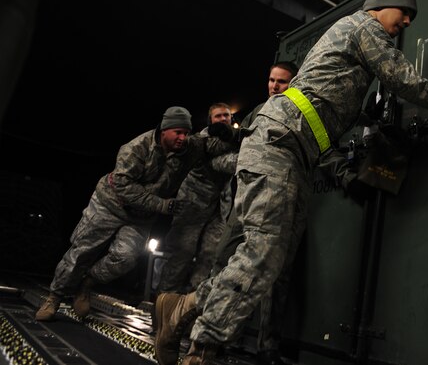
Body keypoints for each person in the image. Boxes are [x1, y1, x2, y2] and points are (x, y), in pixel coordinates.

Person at [154, 0, 428, 365]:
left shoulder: (353, 37)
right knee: (264, 253)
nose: (407, 20)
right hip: (277, 145)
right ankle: (203, 349)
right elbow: (396, 75)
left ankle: (184, 307)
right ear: (383, 6)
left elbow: (326, 95)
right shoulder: (366, 26)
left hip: (291, 154)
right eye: (404, 11)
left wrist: (365, 114)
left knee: (269, 257)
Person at [35, 106, 237, 322]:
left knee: (126, 258)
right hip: (110, 205)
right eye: (177, 132)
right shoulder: (136, 148)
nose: (182, 138)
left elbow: (211, 145)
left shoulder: (189, 147)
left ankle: (87, 284)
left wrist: (229, 132)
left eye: (186, 133)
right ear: (163, 130)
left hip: (140, 217)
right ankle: (54, 297)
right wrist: (161, 205)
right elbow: (123, 186)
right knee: (81, 252)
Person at [210, 61, 300, 365]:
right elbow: (243, 141)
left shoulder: (300, 110)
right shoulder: (259, 109)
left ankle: (267, 347)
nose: (274, 86)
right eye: (272, 80)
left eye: (282, 82)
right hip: (248, 195)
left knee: (275, 273)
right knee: (224, 260)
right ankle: (216, 336)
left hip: (280, 196)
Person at [157, 103, 236, 294]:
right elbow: (220, 160)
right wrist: (240, 143)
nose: (223, 119)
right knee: (182, 252)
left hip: (219, 207)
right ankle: (164, 300)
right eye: (218, 116)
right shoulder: (202, 140)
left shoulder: (236, 138)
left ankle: (192, 305)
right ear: (210, 121)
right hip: (193, 203)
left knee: (211, 254)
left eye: (226, 115)